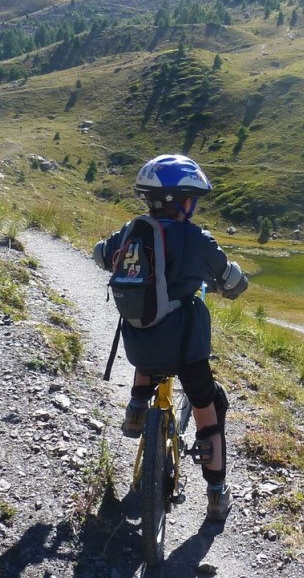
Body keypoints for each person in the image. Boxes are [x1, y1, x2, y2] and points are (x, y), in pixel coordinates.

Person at [92, 154, 248, 521]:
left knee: (151, 347)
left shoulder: (132, 231)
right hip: (186, 350)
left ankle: (135, 412)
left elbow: (101, 255)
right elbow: (230, 281)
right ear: (186, 201)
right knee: (208, 408)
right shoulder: (196, 239)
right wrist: (234, 281)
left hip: (139, 345)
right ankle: (215, 495)